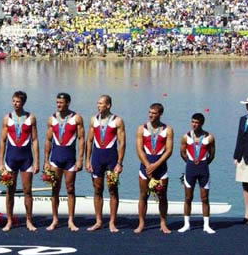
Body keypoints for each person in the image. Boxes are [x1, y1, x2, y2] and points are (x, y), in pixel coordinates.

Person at [0, 91, 40, 231]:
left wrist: (37, 162)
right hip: (11, 159)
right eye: (13, 101)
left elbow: (34, 140)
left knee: (28, 190)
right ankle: (9, 221)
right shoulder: (7, 118)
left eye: (18, 101)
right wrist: (0, 163)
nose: (15, 104)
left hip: (26, 159)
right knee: (10, 190)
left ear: (23, 103)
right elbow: (3, 141)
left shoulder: (31, 118)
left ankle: (29, 220)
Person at [44, 92, 85, 231]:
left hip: (70, 159)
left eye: (61, 103)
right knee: (55, 189)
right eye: (57, 103)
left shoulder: (77, 118)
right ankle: (55, 219)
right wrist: (46, 161)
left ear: (68, 103)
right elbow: (48, 140)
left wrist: (80, 159)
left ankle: (71, 221)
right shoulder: (52, 119)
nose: (58, 105)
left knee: (70, 188)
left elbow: (81, 139)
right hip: (55, 159)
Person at [85, 95, 126, 232]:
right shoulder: (93, 120)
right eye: (98, 103)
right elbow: (89, 141)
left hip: (111, 160)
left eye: (101, 104)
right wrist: (87, 161)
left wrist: (119, 163)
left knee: (112, 190)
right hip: (97, 159)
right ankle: (98, 221)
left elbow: (122, 143)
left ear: (108, 105)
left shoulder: (118, 121)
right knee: (97, 190)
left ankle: (112, 222)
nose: (98, 106)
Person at [135, 103, 174, 234]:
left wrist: (156, 165)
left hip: (161, 167)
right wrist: (148, 165)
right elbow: (139, 150)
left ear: (160, 114)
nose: (150, 115)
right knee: (143, 195)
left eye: (154, 113)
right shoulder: (141, 128)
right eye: (150, 112)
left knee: (162, 196)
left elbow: (169, 151)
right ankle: (141, 224)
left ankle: (163, 223)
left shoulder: (168, 129)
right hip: (145, 167)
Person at [178, 113, 216, 233]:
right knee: (188, 197)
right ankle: (186, 224)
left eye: (196, 122)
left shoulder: (209, 137)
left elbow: (212, 154)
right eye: (192, 122)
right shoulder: (186, 137)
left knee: (205, 198)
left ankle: (206, 225)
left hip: (204, 169)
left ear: (202, 123)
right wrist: (190, 162)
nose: (194, 124)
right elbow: (182, 153)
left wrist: (202, 163)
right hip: (190, 169)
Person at [234, 95, 248, 224]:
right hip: (242, 156)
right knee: (244, 185)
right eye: (247, 104)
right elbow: (239, 138)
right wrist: (236, 156)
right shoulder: (243, 119)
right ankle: (246, 212)